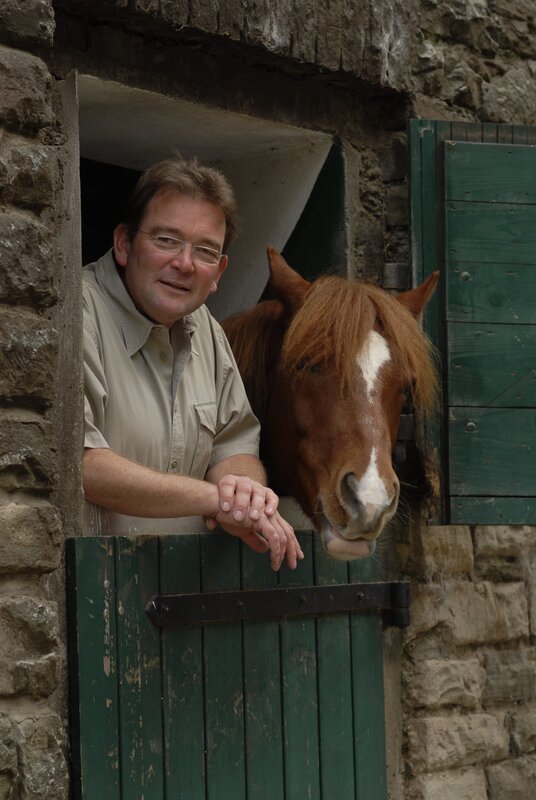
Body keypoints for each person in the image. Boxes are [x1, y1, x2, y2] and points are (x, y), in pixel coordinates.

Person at [82, 157, 303, 570]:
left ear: (218, 272)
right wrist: (214, 500)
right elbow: (80, 464)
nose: (184, 263)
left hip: (180, 598)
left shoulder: (208, 330)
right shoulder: (75, 312)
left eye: (204, 251)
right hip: (90, 598)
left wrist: (245, 493)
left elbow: (235, 445)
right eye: (166, 240)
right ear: (124, 244)